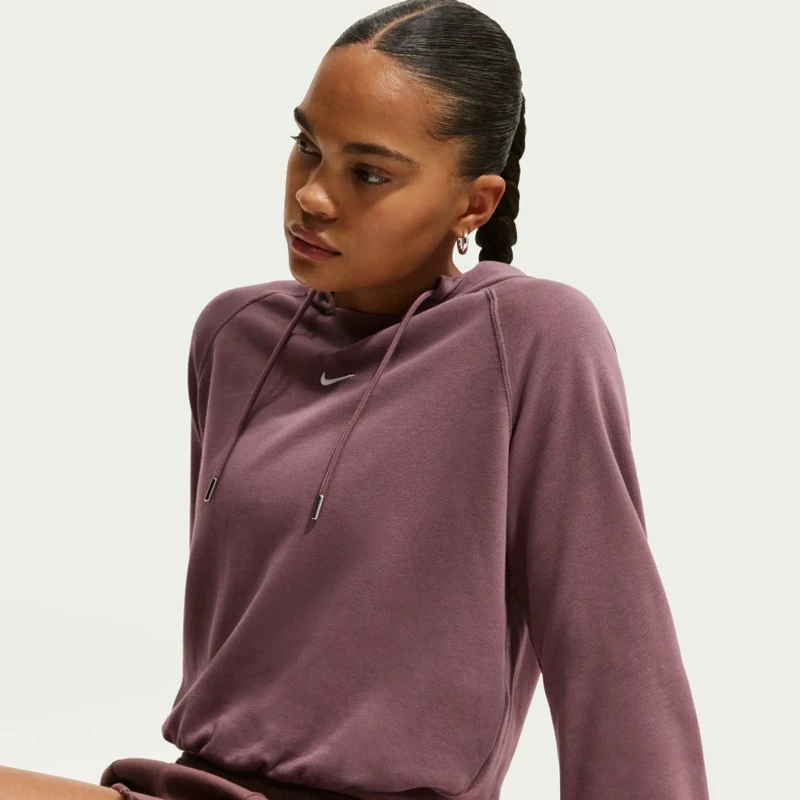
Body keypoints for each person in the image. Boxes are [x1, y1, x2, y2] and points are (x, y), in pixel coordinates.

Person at [1, 1, 711, 799]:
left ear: (475, 204)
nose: (312, 196)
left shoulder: (532, 338)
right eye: (308, 146)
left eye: (368, 173)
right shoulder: (235, 336)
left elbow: (613, 651)